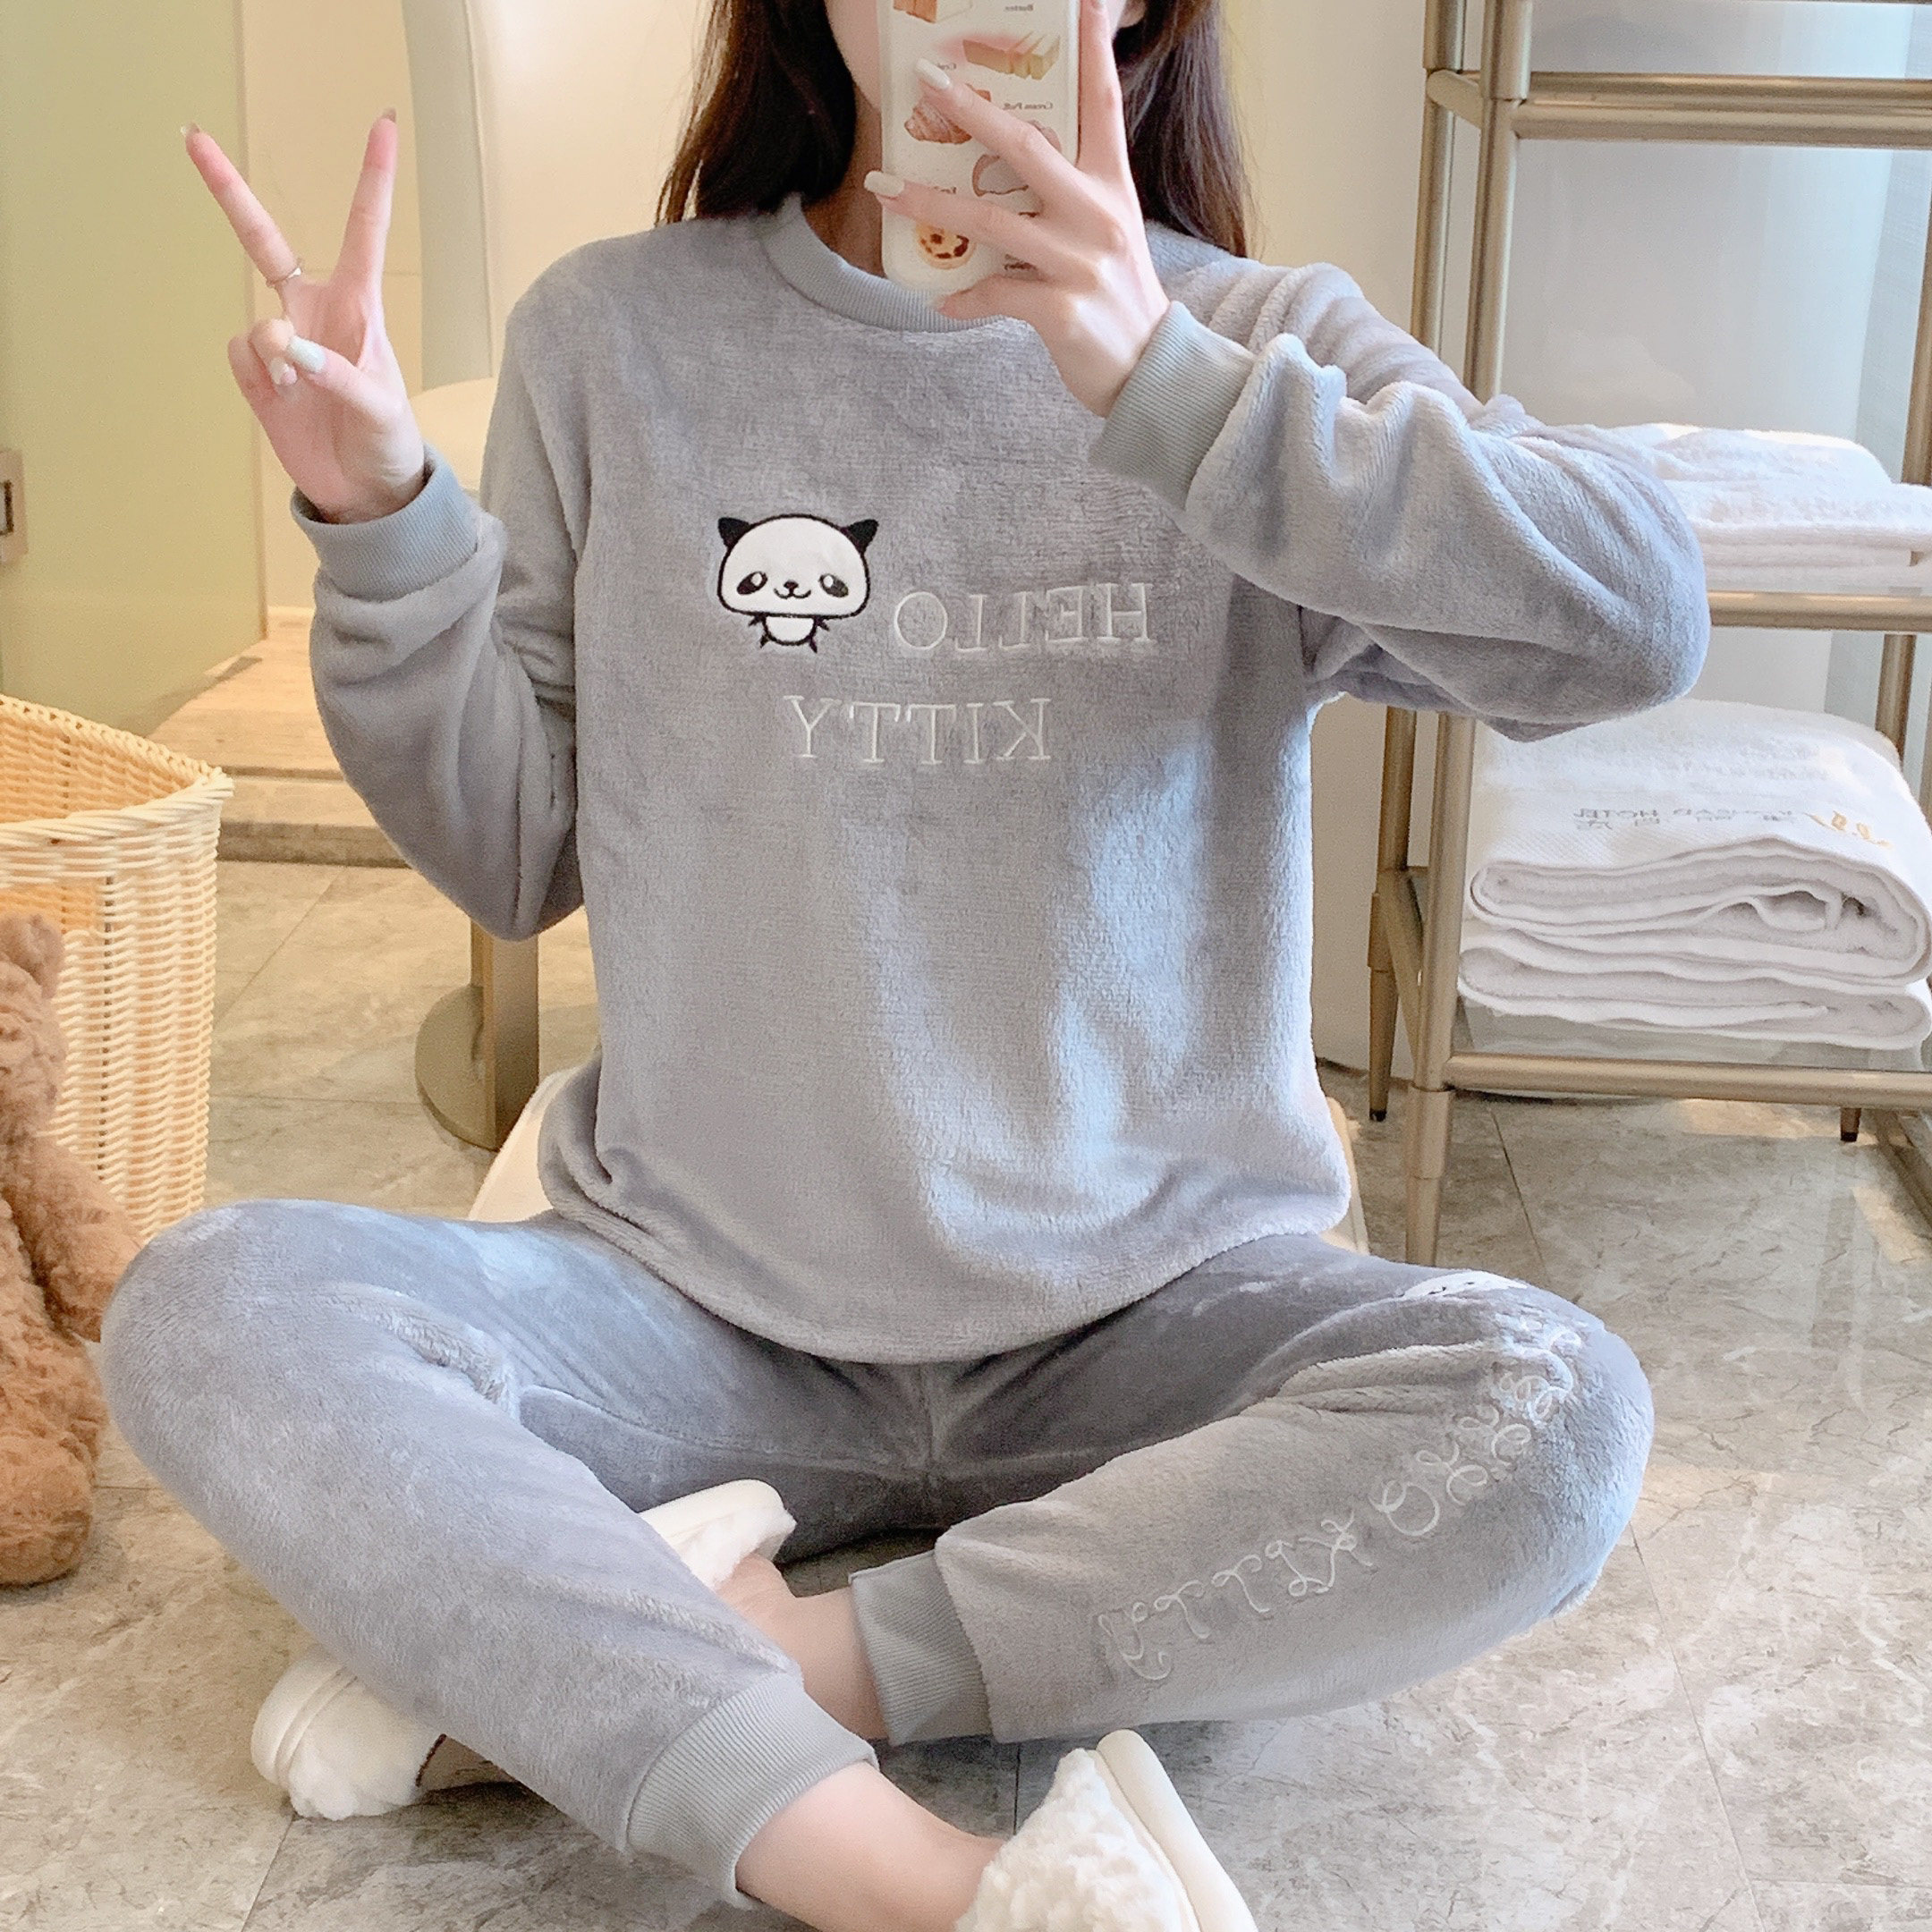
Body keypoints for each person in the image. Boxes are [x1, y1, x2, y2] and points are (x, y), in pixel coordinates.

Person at [102, 0, 1708, 1927]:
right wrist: (381, 527)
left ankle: (710, 1662)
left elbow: (1634, 616)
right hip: (700, 1311)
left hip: (1153, 1315)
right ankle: (911, 1878)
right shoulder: (615, 336)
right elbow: (514, 853)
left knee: (1552, 1414)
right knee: (214, 1301)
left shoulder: (1257, 344)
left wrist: (1166, 384)